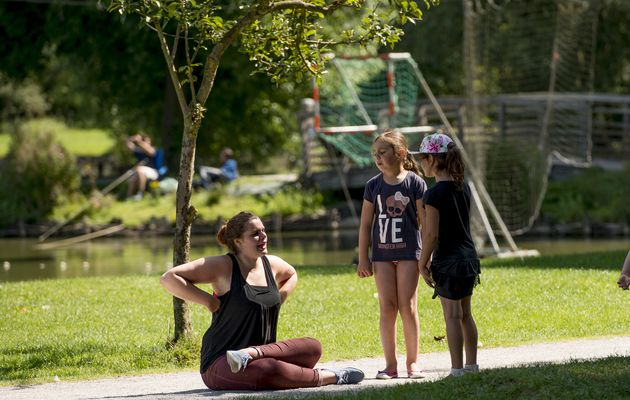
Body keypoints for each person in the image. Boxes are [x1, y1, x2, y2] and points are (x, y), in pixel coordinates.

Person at [160, 211, 364, 390]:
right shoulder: (223, 266)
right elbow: (169, 278)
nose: (263, 236)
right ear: (238, 241)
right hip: (221, 361)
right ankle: (331, 376)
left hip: (262, 355)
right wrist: (208, 301)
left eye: (263, 231)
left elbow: (292, 274)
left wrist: (281, 297)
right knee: (270, 371)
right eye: (255, 233)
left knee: (313, 347)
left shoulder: (271, 264)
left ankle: (252, 354)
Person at [356, 130, 427, 380]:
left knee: (408, 306)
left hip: (409, 254)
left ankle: (413, 363)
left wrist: (427, 256)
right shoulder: (373, 186)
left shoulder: (415, 183)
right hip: (382, 256)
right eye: (375, 153)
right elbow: (365, 225)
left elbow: (424, 222)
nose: (377, 157)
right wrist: (363, 257)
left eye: (382, 152)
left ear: (400, 153)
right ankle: (390, 365)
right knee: (387, 307)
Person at [415, 132, 481, 377]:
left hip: (448, 261)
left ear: (432, 160)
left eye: (422, 158)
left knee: (451, 317)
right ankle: (472, 366)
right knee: (465, 314)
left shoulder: (432, 195)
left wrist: (423, 263)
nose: (420, 163)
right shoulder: (464, 187)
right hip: (469, 258)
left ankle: (457, 370)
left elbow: (430, 235)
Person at [126, 134, 163, 200]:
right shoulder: (140, 152)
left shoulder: (154, 150)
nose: (145, 143)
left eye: (146, 141)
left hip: (155, 172)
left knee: (140, 170)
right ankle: (129, 197)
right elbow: (129, 146)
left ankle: (140, 194)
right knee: (133, 178)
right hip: (140, 172)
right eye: (144, 141)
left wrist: (139, 141)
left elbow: (150, 152)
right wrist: (131, 139)